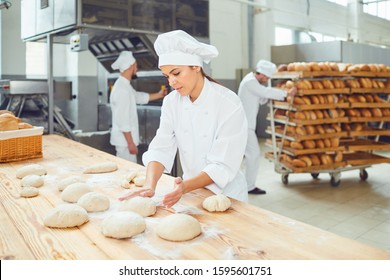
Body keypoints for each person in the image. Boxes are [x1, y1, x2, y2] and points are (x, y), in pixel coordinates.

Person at [119, 30, 248, 208]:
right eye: (167, 76)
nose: (171, 82)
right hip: (191, 192)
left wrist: (185, 187)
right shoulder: (172, 102)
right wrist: (149, 184)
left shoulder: (228, 103)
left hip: (228, 196)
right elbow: (161, 147)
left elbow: (222, 164)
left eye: (176, 73)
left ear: (196, 67)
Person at [238, 60, 296, 195]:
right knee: (254, 155)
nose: (267, 80)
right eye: (267, 77)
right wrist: (287, 93)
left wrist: (269, 95)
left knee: (249, 155)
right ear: (262, 75)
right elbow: (265, 92)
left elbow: (262, 97)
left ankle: (245, 185)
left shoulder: (252, 81)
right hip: (244, 125)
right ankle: (249, 186)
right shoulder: (250, 82)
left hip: (246, 125)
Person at [110, 51, 167, 163]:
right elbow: (123, 120)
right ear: (130, 66)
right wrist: (131, 143)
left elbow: (138, 97)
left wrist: (159, 94)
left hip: (124, 142)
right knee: (127, 172)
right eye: (135, 65)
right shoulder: (122, 90)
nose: (136, 68)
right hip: (125, 143)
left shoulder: (124, 86)